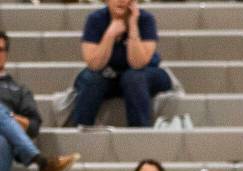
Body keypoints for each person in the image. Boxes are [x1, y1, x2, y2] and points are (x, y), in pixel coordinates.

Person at [70, 0, 172, 128]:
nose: (121, 0)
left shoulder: (145, 19)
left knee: (133, 78)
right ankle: (79, 137)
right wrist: (110, 34)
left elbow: (138, 64)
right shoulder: (95, 19)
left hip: (145, 74)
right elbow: (94, 65)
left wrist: (133, 26)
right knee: (91, 79)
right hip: (108, 74)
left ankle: (139, 136)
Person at [0, 32, 78, 171]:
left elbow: (34, 126)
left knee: (2, 142)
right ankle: (40, 160)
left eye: (0, 49)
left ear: (6, 54)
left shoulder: (19, 90)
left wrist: (10, 120)